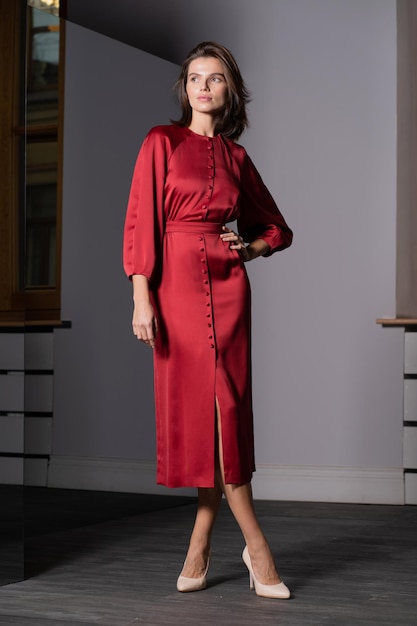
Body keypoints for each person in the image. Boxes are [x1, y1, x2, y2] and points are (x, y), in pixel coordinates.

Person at [123, 41, 293, 599]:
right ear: (185, 87)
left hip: (229, 291)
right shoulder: (160, 141)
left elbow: (278, 229)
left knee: (226, 413)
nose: (202, 86)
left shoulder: (238, 160)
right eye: (194, 77)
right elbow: (141, 220)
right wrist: (141, 295)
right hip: (173, 289)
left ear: (229, 92)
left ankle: (202, 542)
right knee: (206, 418)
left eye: (214, 78)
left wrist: (248, 250)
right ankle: (256, 547)